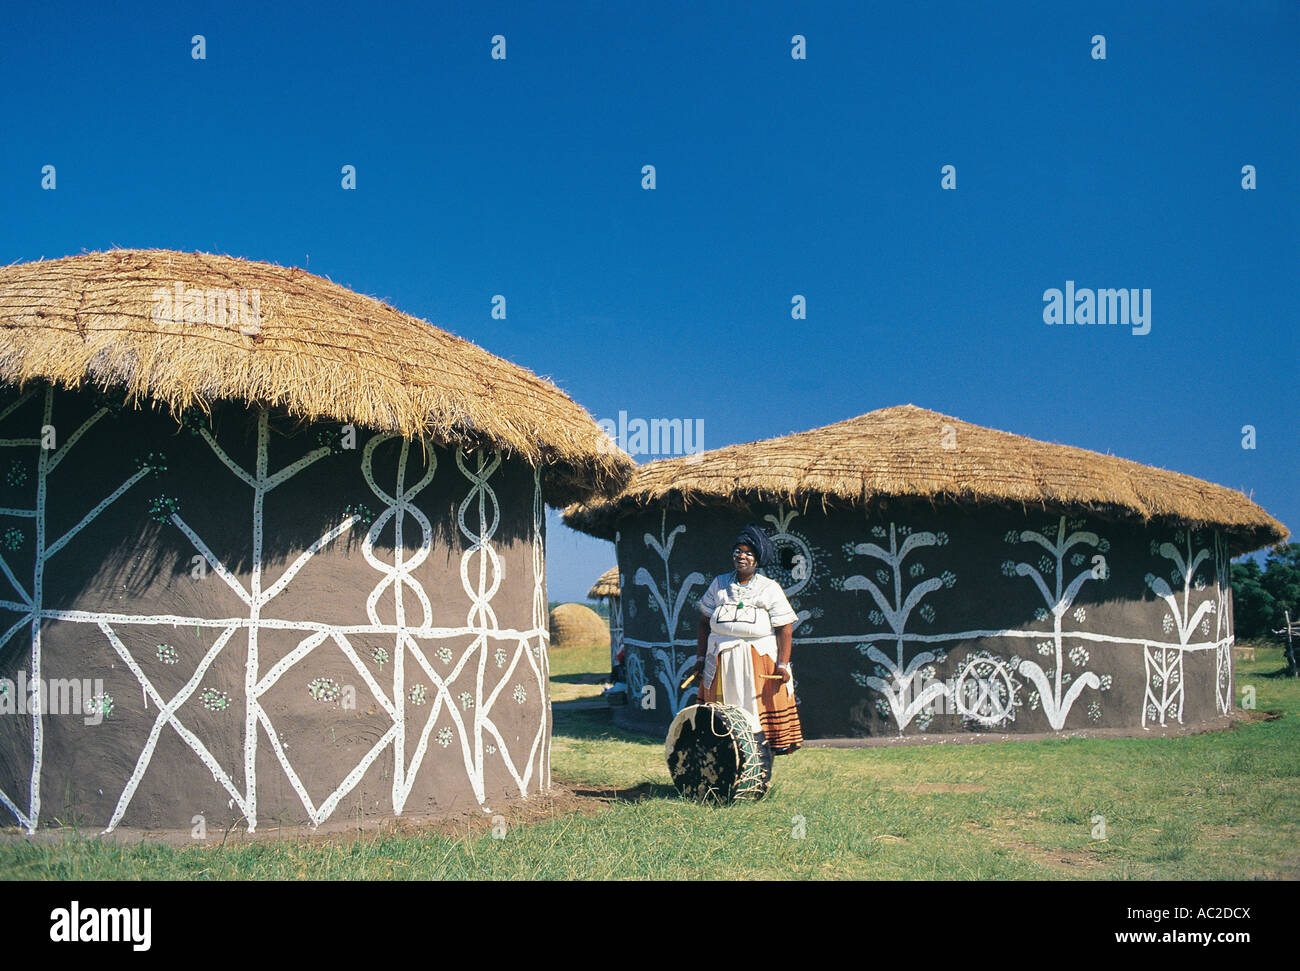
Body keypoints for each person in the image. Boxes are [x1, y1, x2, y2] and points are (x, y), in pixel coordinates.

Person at [693, 524, 803, 754]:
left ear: (758, 559)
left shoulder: (769, 588)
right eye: (738, 551)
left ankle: (757, 758)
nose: (741, 557)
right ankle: (726, 756)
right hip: (721, 662)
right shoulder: (719, 584)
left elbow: (785, 628)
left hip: (756, 663)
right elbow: (704, 623)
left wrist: (782, 663)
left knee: (753, 710)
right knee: (722, 713)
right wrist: (701, 659)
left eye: (748, 553)